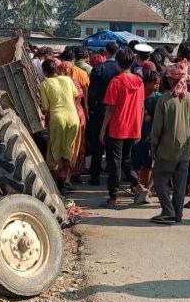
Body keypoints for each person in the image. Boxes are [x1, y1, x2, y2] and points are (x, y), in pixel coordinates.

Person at [148, 63, 190, 224]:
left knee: (159, 179)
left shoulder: (164, 100)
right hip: (185, 150)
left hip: (166, 148)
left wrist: (153, 147)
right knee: (180, 184)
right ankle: (177, 214)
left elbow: (157, 128)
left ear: (171, 80)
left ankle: (168, 212)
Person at [100, 50, 147, 208]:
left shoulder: (116, 82)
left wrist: (102, 129)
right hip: (133, 127)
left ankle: (113, 198)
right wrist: (139, 128)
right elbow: (141, 107)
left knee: (115, 164)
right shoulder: (139, 82)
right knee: (126, 160)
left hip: (117, 127)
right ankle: (138, 185)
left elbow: (110, 110)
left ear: (117, 63)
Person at [38, 59, 81, 193]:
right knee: (69, 150)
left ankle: (57, 186)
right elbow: (75, 94)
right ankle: (67, 180)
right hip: (73, 118)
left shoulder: (44, 84)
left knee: (55, 151)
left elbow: (46, 106)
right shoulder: (67, 79)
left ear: (45, 72)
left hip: (57, 119)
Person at [87, 42, 120, 186]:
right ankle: (114, 179)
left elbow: (92, 93)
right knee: (114, 148)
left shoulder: (99, 68)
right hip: (116, 113)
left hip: (100, 112)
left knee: (97, 145)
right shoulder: (121, 70)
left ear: (105, 52)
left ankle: (95, 177)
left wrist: (92, 107)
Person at [58, 61, 88, 187]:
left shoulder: (56, 82)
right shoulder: (75, 82)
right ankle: (73, 174)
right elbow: (79, 99)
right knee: (77, 145)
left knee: (64, 145)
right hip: (77, 115)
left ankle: (63, 175)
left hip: (63, 115)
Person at [133, 71, 162, 198]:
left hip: (151, 135)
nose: (157, 86)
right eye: (155, 83)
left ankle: (146, 189)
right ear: (147, 83)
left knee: (149, 163)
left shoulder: (159, 98)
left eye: (158, 84)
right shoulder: (138, 96)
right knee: (135, 162)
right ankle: (136, 186)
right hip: (136, 134)